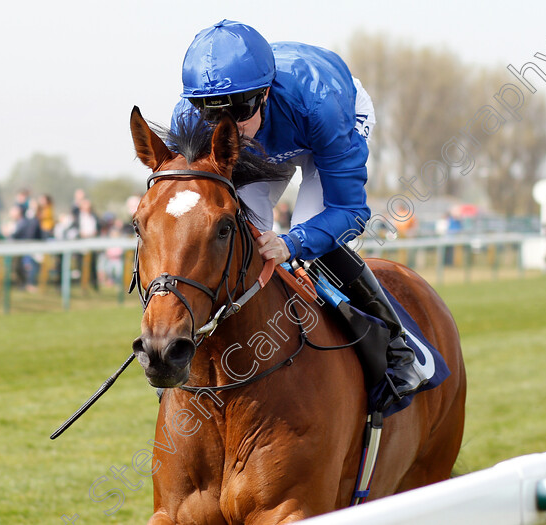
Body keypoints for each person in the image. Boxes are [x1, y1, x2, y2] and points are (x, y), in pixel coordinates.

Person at [171, 20, 427, 408]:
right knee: (244, 235)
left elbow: (350, 212)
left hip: (324, 124)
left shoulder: (321, 105)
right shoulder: (189, 120)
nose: (228, 127)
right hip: (272, 139)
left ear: (265, 93)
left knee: (312, 245)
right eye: (213, 114)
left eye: (239, 110)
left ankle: (396, 346)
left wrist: (293, 243)